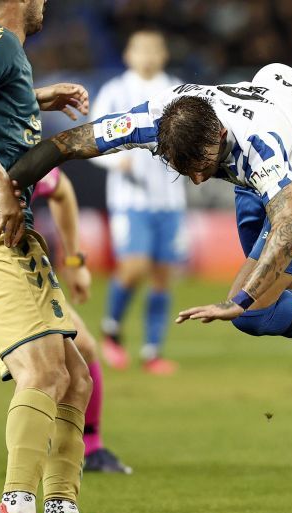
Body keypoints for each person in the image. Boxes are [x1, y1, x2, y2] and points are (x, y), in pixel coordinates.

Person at [10, 64, 292, 444]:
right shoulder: (155, 120)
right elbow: (70, 142)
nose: (198, 180)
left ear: (220, 133)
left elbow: (289, 229)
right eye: (184, 170)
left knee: (256, 311)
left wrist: (236, 302)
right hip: (254, 186)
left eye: (204, 165)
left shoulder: (260, 146)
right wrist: (8, 185)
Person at [0, 0, 132, 513]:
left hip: (14, 235)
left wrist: (36, 97)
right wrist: (2, 187)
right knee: (43, 368)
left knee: (75, 372)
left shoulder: (7, 54)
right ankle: (16, 510)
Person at [90, 29, 187, 375]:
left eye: (153, 49)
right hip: (131, 199)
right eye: (139, 49)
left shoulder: (177, 89)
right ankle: (112, 331)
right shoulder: (115, 91)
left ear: (163, 55)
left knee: (162, 275)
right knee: (134, 268)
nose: (146, 56)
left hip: (171, 200)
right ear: (128, 55)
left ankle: (152, 352)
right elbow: (92, 140)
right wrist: (118, 161)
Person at [32, 168, 132, 473]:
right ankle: (19, 496)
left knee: (83, 349)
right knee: (39, 371)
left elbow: (61, 190)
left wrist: (74, 262)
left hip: (21, 272)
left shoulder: (20, 151)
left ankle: (90, 449)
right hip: (2, 274)